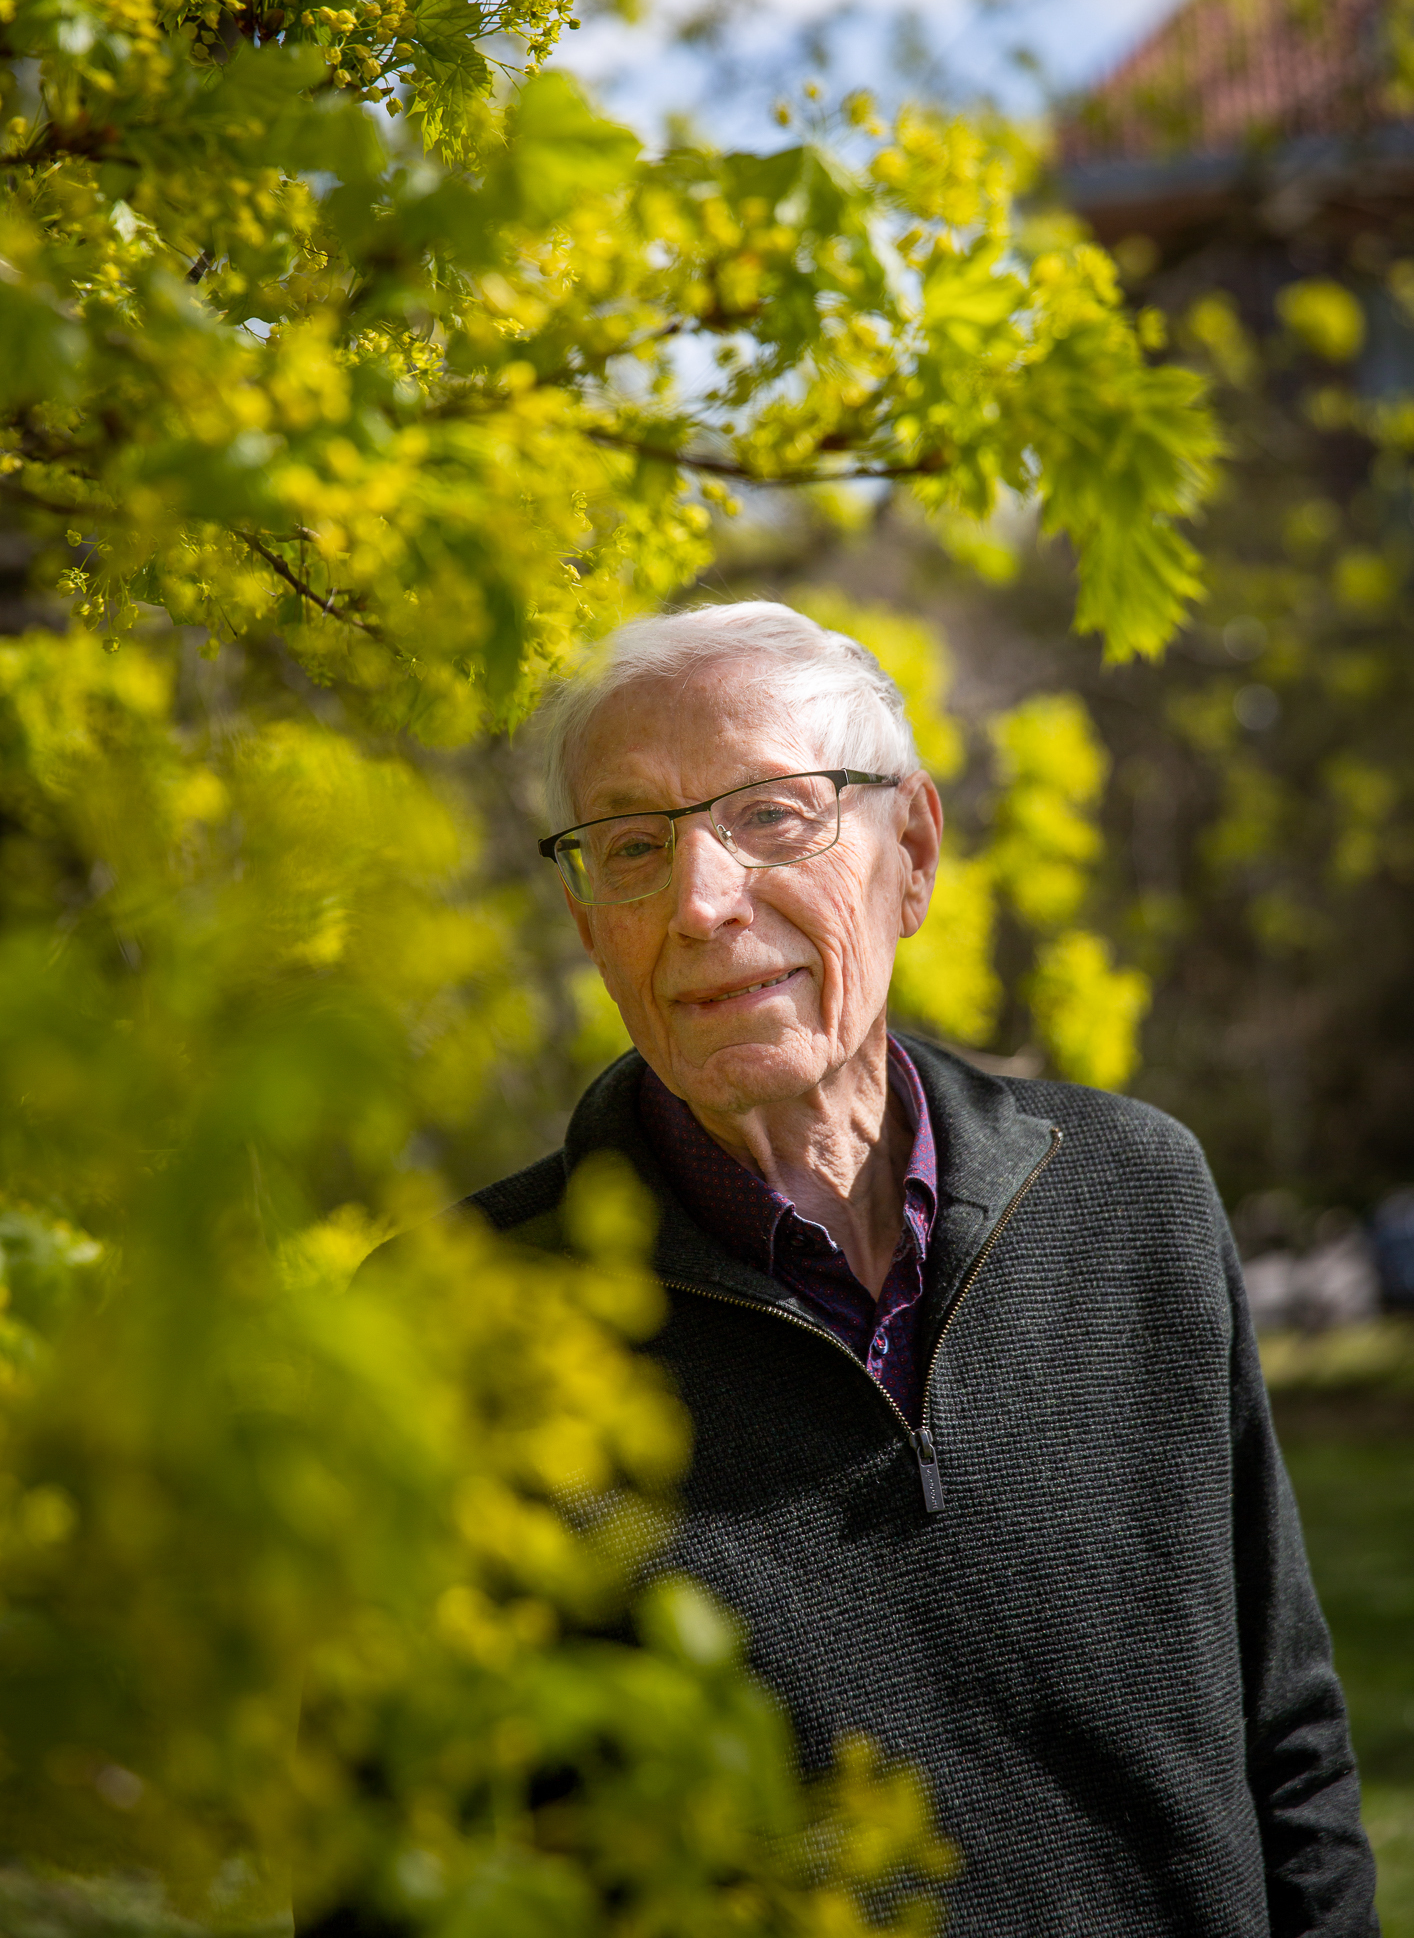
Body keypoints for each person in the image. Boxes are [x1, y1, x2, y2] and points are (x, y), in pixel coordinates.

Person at [463, 601, 1378, 1935]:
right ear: (586, 915)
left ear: (913, 851)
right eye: (631, 845)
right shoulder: (470, 1314)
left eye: (770, 815)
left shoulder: (1137, 1195)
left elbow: (1284, 1739)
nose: (701, 901)